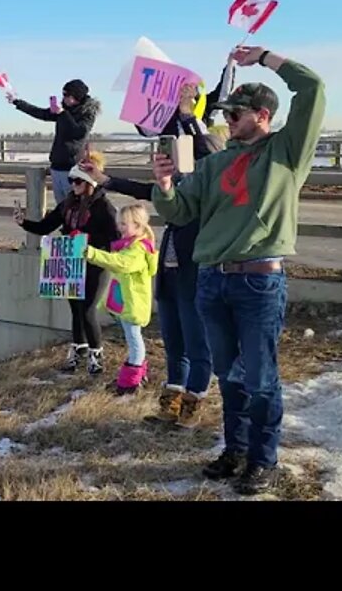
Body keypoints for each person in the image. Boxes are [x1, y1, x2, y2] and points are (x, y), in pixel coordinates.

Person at [151, 45, 326, 495]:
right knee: (227, 375)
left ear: (263, 115)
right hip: (211, 279)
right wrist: (165, 184)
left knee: (260, 377)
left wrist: (265, 58)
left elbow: (313, 88)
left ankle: (263, 460)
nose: (227, 120)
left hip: (258, 280)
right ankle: (236, 448)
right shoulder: (214, 164)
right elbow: (180, 211)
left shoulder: (286, 152)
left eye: (236, 113)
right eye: (226, 115)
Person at [83, 84, 227, 428]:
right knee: (174, 342)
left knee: (197, 344)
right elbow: (143, 190)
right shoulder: (180, 190)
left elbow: (208, 154)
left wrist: (188, 116)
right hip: (171, 276)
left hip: (196, 275)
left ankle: (193, 407)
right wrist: (103, 178)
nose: (177, 163)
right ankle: (171, 406)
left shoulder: (210, 187)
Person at [15, 150, 119, 375]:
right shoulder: (68, 205)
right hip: (72, 261)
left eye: (78, 181)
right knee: (76, 308)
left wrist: (88, 240)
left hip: (96, 264)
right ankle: (78, 351)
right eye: (71, 180)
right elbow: (46, 226)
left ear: (90, 181)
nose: (73, 185)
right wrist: (24, 223)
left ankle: (96, 356)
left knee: (89, 309)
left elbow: (115, 237)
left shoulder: (104, 207)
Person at [82, 203, 159, 395]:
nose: (120, 228)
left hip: (133, 306)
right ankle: (137, 375)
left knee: (135, 341)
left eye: (124, 224)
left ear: (138, 226)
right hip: (127, 304)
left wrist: (90, 252)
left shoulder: (137, 250)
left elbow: (120, 263)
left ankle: (130, 381)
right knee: (133, 339)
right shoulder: (130, 246)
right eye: (120, 224)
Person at [6, 79, 100, 204]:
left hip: (72, 167)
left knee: (74, 205)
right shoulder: (63, 111)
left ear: (76, 96)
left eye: (67, 95)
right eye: (63, 94)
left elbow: (79, 132)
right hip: (56, 166)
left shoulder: (87, 113)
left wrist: (63, 113)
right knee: (61, 206)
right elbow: (41, 113)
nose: (64, 98)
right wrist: (17, 102)